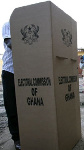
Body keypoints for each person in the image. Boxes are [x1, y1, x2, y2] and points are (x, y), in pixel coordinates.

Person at [2, 22, 21, 150]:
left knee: (26, 105)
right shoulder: (8, 24)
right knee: (12, 106)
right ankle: (17, 138)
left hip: (25, 72)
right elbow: (10, 44)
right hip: (10, 72)